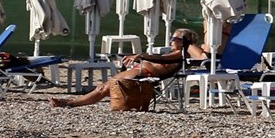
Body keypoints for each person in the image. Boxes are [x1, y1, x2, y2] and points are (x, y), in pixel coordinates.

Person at [49, 43, 191, 108]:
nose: (172, 40)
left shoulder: (180, 54)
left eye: (175, 38)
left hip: (145, 74)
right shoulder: (173, 53)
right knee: (104, 87)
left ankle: (71, 103)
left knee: (105, 88)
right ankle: (71, 103)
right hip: (140, 71)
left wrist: (140, 55)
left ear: (183, 41)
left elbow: (161, 60)